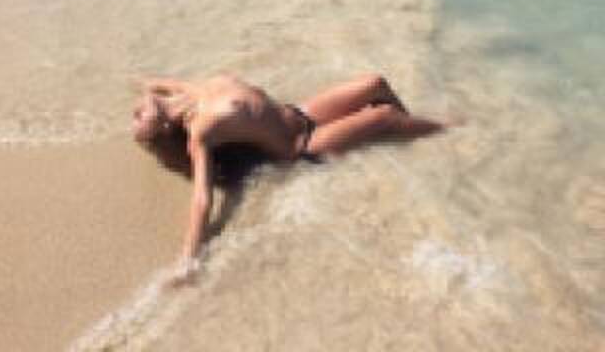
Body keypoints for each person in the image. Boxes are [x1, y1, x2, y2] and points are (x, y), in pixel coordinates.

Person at [132, 73, 451, 280]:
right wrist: (188, 260)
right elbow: (202, 199)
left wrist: (137, 78)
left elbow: (154, 82)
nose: (134, 116)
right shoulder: (199, 133)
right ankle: (451, 130)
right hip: (302, 144)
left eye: (136, 116)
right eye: (138, 121)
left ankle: (413, 133)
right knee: (384, 115)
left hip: (301, 114)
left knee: (376, 83)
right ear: (164, 128)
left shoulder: (187, 91)